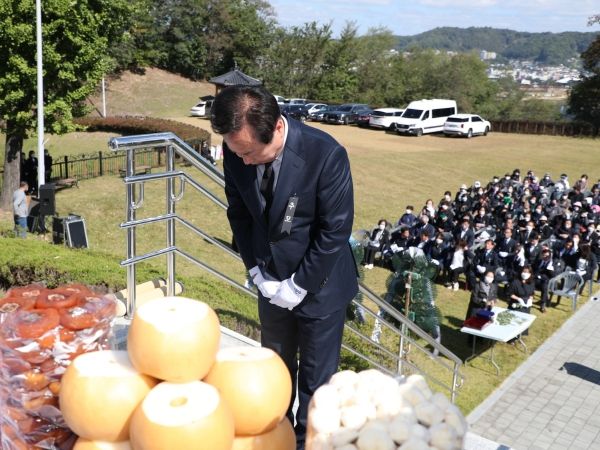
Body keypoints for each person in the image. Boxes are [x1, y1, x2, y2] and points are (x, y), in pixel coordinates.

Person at [211, 85, 358, 450]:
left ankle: (309, 442)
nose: (243, 161)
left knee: (316, 384)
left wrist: (299, 285)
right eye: (236, 152)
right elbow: (239, 213)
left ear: (277, 127)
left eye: (249, 152)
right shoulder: (237, 150)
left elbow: (335, 230)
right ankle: (278, 440)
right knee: (274, 373)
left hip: (321, 285)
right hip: (270, 281)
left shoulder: (325, 154)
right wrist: (256, 271)